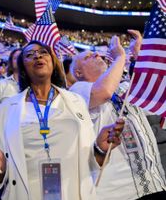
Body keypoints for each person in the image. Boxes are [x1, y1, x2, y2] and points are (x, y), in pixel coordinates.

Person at [0, 40, 124, 200]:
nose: (38, 56)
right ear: (23, 68)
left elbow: (90, 162)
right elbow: (0, 169)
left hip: (73, 193)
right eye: (30, 55)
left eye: (43, 52)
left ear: (53, 62)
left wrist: (100, 149)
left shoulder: (76, 101)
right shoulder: (7, 108)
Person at [70, 35, 166, 200]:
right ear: (78, 72)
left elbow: (157, 98)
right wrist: (120, 57)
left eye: (97, 54)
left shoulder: (125, 86)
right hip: (120, 193)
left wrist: (140, 56)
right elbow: (104, 92)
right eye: (87, 57)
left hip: (154, 183)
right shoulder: (77, 91)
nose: (96, 55)